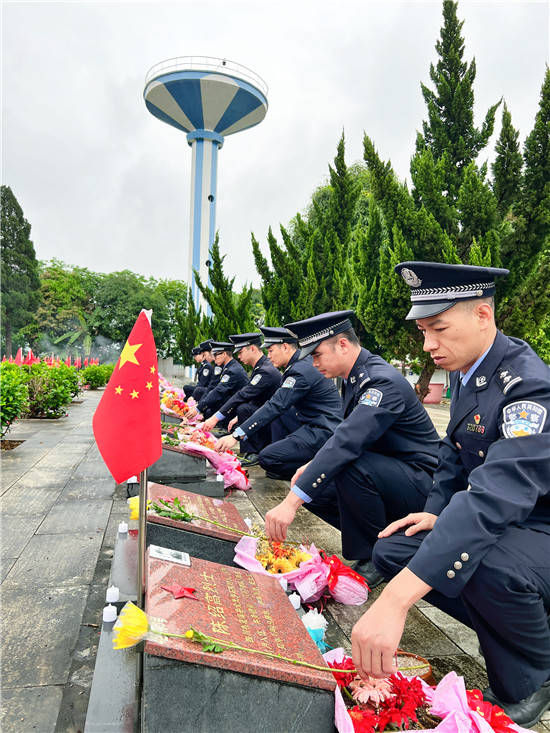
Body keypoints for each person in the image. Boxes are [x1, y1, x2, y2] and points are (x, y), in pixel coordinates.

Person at [351, 261, 550, 728]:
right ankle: (508, 618)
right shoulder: (470, 369)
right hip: (507, 520)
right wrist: (434, 513)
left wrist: (395, 601)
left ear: (483, 314)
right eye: (423, 331)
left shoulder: (528, 387)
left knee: (483, 563)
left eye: (438, 328)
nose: (428, 345)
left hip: (536, 524)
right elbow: (453, 454)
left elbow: (494, 495)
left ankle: (534, 675)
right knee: (394, 550)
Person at [264, 311, 440, 587]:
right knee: (314, 488)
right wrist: (309, 469)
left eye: (317, 355)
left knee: (349, 469)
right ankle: (385, 537)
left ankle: (375, 556)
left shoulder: (380, 382)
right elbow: (347, 433)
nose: (314, 363)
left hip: (421, 482)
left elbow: (347, 442)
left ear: (343, 345)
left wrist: (290, 504)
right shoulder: (355, 377)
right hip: (390, 472)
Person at [216, 326, 343, 479]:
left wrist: (236, 436)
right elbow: (277, 403)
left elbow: (275, 405)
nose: (268, 356)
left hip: (322, 430)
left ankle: (321, 468)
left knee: (267, 459)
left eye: (270, 350)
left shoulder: (300, 370)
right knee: (279, 416)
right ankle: (289, 451)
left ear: (285, 347)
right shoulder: (299, 364)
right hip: (312, 422)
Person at [201, 333, 282, 464]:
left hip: (276, 421)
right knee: (243, 409)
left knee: (243, 408)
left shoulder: (265, 370)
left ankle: (255, 452)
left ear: (253, 349)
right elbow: (256, 396)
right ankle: (251, 450)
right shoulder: (260, 367)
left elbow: (243, 395)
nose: (238, 356)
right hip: (267, 414)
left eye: (241, 352)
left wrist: (215, 418)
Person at [193, 342, 248, 420]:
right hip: (231, 403)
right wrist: (199, 406)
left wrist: (198, 408)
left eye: (215, 355)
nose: (214, 358)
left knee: (211, 406)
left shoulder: (232, 370)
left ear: (224, 354)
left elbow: (219, 391)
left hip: (237, 409)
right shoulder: (229, 367)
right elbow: (214, 387)